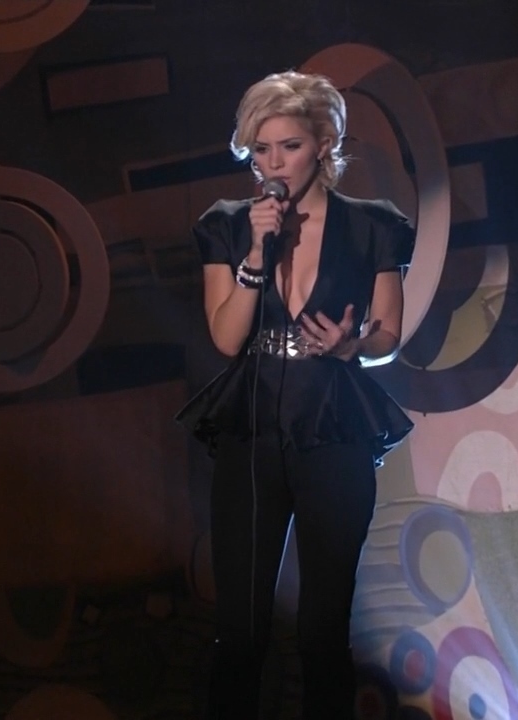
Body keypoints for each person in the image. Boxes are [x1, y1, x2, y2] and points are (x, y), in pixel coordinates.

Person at [175, 70, 416, 719]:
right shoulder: (228, 225)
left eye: (289, 146)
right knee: (242, 631)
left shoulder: (373, 225)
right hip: (252, 427)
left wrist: (353, 345)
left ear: (324, 143)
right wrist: (257, 252)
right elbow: (227, 338)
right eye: (260, 150)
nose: (272, 164)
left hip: (333, 427)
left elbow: (389, 336)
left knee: (322, 631)